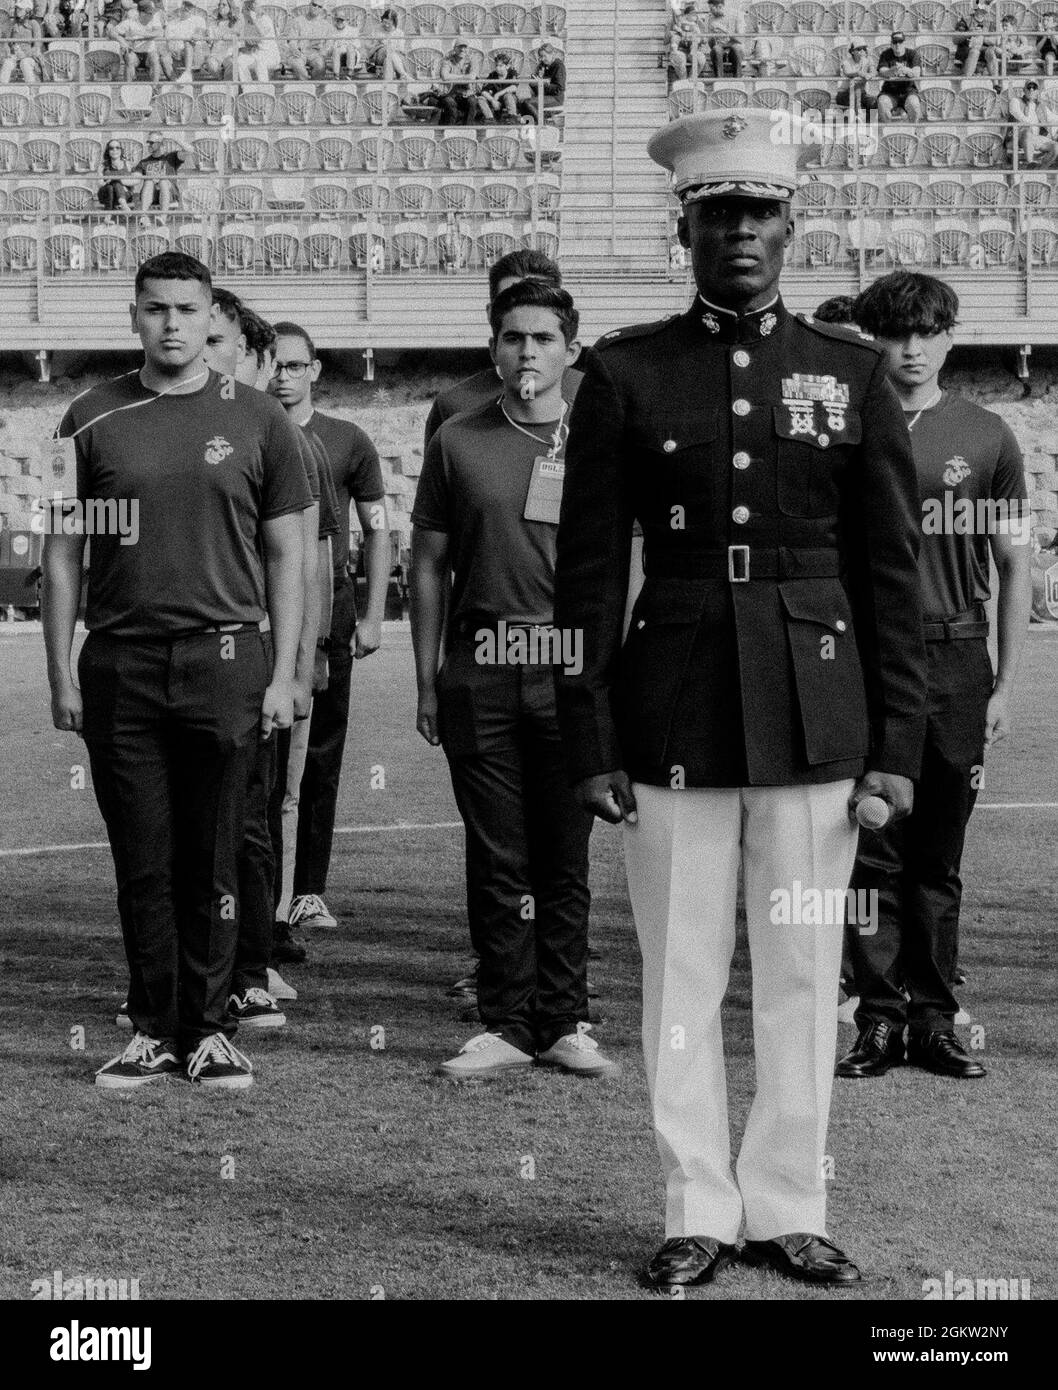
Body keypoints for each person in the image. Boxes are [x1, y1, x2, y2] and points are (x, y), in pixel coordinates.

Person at [552, 110, 928, 1288]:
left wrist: (896, 743)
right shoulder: (623, 371)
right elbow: (583, 570)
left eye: (759, 213)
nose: (741, 235)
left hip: (817, 709)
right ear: (686, 229)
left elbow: (888, 574)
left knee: (803, 970)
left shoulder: (849, 370)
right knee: (677, 968)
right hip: (669, 704)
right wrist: (591, 733)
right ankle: (694, 1208)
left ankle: (787, 1202)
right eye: (718, 215)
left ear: (789, 226)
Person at [42, 252, 309, 1090]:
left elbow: (288, 554)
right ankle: (154, 1030)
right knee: (143, 857)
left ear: (208, 318)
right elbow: (60, 556)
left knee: (217, 854)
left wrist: (284, 672)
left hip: (226, 658)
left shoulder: (261, 419)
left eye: (187, 310)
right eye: (155, 309)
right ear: (134, 316)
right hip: (120, 662)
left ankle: (211, 1028)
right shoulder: (86, 418)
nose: (170, 324)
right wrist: (60, 671)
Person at [411, 280, 619, 1082]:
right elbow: (428, 562)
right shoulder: (459, 437)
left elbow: (629, 558)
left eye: (541, 338)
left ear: (571, 347)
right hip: (481, 667)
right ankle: (506, 1018)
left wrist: (612, 666)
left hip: (572, 670)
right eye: (511, 337)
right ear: (492, 346)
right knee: (498, 852)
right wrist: (429, 680)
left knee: (563, 853)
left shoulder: (601, 435)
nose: (526, 352)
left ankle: (564, 1017)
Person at [837, 273, 1030, 1083]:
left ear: (950, 336)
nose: (910, 350)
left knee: (937, 855)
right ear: (871, 339)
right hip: (867, 660)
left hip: (955, 660)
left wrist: (1008, 681)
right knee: (870, 851)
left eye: (925, 333)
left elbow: (1015, 564)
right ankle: (876, 1018)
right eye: (893, 334)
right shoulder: (844, 430)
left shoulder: (988, 436)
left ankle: (935, 1019)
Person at [268, 323, 388, 938]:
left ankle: (308, 889)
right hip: (269, 605)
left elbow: (378, 528)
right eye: (275, 365)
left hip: (331, 608)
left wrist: (370, 613)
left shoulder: (347, 440)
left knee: (321, 752)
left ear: (315, 370)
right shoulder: (255, 431)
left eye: (295, 365)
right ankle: (267, 893)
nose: (283, 376)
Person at [424, 250, 585, 447]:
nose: (526, 307)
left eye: (539, 297)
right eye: (509, 299)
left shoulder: (594, 395)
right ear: (491, 313)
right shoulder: (454, 405)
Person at [115, 1, 170, 82]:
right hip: (135, 53)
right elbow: (111, 31)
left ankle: (154, 90)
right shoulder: (131, 21)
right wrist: (121, 40)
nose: (152, 15)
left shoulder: (154, 20)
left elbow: (159, 32)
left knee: (155, 58)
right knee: (129, 58)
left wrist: (141, 35)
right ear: (141, 13)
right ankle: (127, 89)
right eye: (150, 13)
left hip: (148, 54)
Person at [134, 131, 185, 218]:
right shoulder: (144, 162)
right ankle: (143, 217)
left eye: (151, 143)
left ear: (160, 143)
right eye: (148, 142)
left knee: (163, 181)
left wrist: (175, 139)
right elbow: (135, 177)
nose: (149, 145)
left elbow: (190, 150)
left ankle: (163, 217)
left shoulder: (171, 157)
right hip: (152, 195)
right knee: (149, 181)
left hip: (170, 194)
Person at [1007, 80, 1056, 166]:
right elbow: (1018, 115)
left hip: (1037, 138)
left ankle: (1038, 169)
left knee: (1056, 147)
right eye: (1029, 87)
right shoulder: (1015, 101)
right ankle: (1030, 163)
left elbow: (1053, 118)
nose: (1031, 90)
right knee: (1027, 131)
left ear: (1038, 91)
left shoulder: (1041, 106)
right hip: (1017, 138)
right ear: (1024, 90)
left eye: (1034, 88)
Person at [877, 31, 922, 122]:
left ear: (904, 42)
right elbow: (882, 71)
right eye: (895, 42)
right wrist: (892, 70)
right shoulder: (886, 54)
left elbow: (917, 72)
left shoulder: (912, 54)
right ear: (891, 44)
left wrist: (906, 70)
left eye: (900, 41)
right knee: (882, 102)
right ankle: (888, 132)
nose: (897, 44)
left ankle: (913, 131)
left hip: (908, 91)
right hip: (890, 91)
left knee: (914, 104)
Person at [282, 0, 333, 80]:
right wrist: (294, 49)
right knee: (297, 64)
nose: (316, 8)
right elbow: (292, 40)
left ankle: (315, 87)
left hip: (315, 53)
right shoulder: (298, 21)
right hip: (299, 52)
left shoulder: (325, 25)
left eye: (319, 7)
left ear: (322, 9)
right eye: (314, 5)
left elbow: (329, 42)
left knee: (320, 65)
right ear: (309, 5)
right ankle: (306, 85)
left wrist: (324, 51)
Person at [518, 41, 566, 124]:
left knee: (528, 103)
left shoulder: (558, 66)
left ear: (552, 54)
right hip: (544, 95)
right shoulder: (542, 65)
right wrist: (533, 83)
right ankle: (529, 125)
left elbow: (559, 88)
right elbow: (538, 88)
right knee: (521, 102)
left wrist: (541, 83)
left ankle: (541, 125)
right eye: (541, 56)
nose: (542, 59)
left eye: (544, 56)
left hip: (556, 98)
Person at [0, 3, 43, 84]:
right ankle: (2, 91)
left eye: (20, 9)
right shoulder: (13, 24)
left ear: (28, 11)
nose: (17, 11)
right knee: (7, 63)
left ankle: (31, 91)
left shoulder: (33, 23)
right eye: (16, 9)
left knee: (25, 63)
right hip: (14, 55)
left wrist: (25, 54)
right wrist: (8, 52)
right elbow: (6, 42)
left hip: (30, 56)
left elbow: (37, 46)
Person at [165, 0, 208, 81]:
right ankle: (176, 83)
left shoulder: (199, 20)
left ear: (194, 8)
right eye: (184, 6)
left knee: (188, 43)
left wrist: (193, 37)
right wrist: (172, 50)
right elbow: (168, 43)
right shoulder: (171, 24)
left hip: (195, 53)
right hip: (176, 54)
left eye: (189, 6)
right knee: (164, 58)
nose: (186, 8)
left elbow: (199, 33)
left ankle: (187, 73)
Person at [474, 51, 520, 123]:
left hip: (509, 99)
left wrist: (498, 94)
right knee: (481, 98)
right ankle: (490, 119)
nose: (497, 68)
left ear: (507, 66)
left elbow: (514, 87)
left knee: (508, 95)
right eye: (496, 66)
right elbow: (484, 91)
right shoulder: (493, 75)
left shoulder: (512, 73)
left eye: (501, 66)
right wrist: (492, 100)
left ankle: (512, 117)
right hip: (495, 100)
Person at [437, 41, 476, 125]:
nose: (462, 49)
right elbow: (445, 76)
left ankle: (467, 129)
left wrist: (453, 76)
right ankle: (450, 130)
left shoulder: (472, 60)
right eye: (459, 47)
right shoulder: (447, 61)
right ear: (454, 48)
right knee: (450, 103)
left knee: (472, 102)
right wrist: (464, 77)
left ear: (468, 49)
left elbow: (472, 76)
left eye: (465, 47)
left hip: (466, 92)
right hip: (449, 92)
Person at [958, 4, 1000, 79]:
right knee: (975, 52)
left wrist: (982, 37)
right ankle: (966, 81)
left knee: (991, 52)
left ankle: (996, 85)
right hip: (967, 48)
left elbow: (996, 40)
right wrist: (969, 33)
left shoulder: (990, 22)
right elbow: (955, 39)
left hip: (983, 48)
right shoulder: (965, 19)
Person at [704, 0, 744, 78]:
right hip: (719, 46)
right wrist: (711, 37)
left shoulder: (735, 16)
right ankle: (719, 81)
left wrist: (724, 30)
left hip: (733, 44)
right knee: (716, 50)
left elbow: (741, 39)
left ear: (720, 7)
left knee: (737, 48)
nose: (710, 12)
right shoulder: (710, 19)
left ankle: (738, 79)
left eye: (712, 9)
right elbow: (711, 45)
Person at [834, 41, 877, 113]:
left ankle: (869, 122)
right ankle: (858, 117)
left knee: (872, 102)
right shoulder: (846, 62)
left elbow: (874, 72)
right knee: (857, 90)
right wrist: (860, 73)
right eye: (859, 49)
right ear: (852, 51)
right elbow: (848, 73)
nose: (862, 51)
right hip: (844, 94)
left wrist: (871, 68)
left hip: (861, 94)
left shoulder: (866, 61)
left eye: (864, 48)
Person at [98, 139, 134, 214]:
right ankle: (123, 205)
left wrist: (118, 180)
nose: (115, 150)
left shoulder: (127, 164)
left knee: (116, 183)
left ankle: (108, 216)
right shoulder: (102, 166)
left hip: (125, 194)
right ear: (108, 151)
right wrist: (109, 181)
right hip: (107, 194)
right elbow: (100, 184)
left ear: (121, 150)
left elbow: (132, 183)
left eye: (117, 148)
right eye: (111, 148)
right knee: (111, 187)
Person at [669, 14, 705, 82]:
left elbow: (698, 41)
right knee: (679, 56)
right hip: (679, 51)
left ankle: (691, 79)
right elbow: (674, 44)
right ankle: (684, 81)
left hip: (690, 53)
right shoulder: (677, 33)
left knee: (700, 58)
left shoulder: (695, 31)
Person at [1036, 11, 1058, 76]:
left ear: (1055, 23)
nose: (1045, 22)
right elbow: (1037, 48)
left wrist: (1052, 34)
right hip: (1047, 54)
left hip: (1056, 52)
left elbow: (1056, 43)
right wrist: (1045, 36)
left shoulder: (1056, 32)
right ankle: (1049, 78)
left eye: (1048, 20)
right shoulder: (1041, 33)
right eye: (1043, 20)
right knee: (1049, 57)